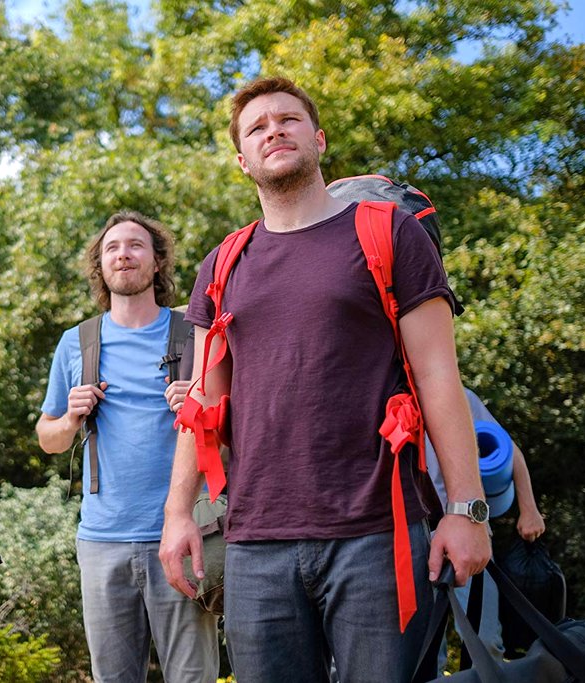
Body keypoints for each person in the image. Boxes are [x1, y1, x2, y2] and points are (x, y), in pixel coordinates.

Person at [158, 76, 492, 683]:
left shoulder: (389, 232)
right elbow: (204, 403)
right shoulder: (224, 261)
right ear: (242, 160)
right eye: (256, 128)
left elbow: (440, 379)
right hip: (256, 539)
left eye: (287, 120)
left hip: (379, 534)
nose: (273, 131)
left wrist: (467, 509)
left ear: (317, 137)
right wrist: (178, 512)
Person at [36, 211, 219, 682]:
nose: (124, 254)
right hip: (101, 540)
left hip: (183, 533)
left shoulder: (192, 335)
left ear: (157, 262)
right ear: (100, 264)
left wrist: (198, 404)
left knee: (192, 676)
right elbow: (49, 439)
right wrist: (72, 416)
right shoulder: (76, 342)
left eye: (136, 245)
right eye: (112, 247)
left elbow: (237, 427)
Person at [426, 387, 545, 670]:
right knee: (428, 649)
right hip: (414, 539)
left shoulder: (457, 397)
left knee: (486, 640)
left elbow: (510, 450)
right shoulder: (382, 392)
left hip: (467, 532)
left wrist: (529, 509)